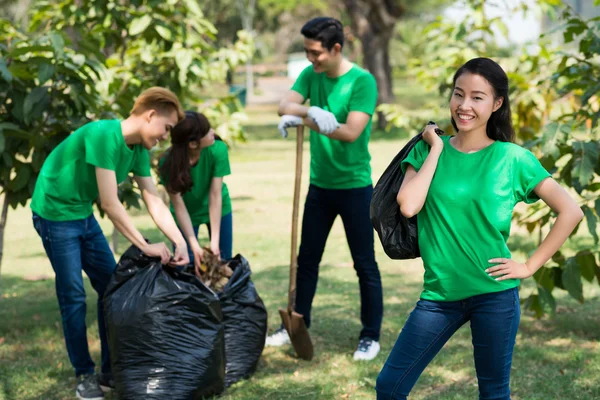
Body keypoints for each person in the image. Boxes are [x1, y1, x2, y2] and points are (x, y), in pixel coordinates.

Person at [375, 58, 584, 400]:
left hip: (494, 294)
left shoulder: (513, 158)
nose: (464, 106)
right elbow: (409, 204)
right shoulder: (427, 150)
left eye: (477, 97)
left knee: (493, 392)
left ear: (497, 103)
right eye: (458, 95)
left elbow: (570, 211)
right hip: (439, 296)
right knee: (389, 386)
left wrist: (529, 265)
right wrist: (437, 148)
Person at [30, 87, 191, 400]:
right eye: (166, 129)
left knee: (113, 289)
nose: (165, 137)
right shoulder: (105, 134)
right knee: (73, 296)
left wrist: (178, 240)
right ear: (150, 115)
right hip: (54, 213)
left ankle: (109, 371)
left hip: (80, 212)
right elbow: (110, 202)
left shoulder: (138, 150)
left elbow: (153, 199)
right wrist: (145, 246)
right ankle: (84, 375)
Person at [268, 17, 383, 361]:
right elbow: (283, 105)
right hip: (320, 186)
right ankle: (297, 324)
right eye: (306, 51)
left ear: (336, 49)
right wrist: (310, 111)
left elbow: (350, 132)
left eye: (315, 53)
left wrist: (307, 119)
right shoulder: (311, 75)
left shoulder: (362, 82)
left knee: (364, 263)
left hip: (355, 187)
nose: (310, 59)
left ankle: (370, 335)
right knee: (307, 260)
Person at [158, 111, 233, 273]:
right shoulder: (167, 163)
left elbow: (215, 195)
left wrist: (214, 241)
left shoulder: (217, 149)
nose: (212, 132)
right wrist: (193, 245)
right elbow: (178, 204)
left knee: (223, 264)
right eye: (207, 132)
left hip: (218, 208)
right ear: (192, 144)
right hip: (186, 214)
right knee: (186, 265)